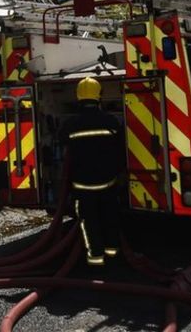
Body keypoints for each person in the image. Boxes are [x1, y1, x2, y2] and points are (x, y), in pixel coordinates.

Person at [58, 76, 126, 267]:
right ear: (99, 96)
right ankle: (113, 251)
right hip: (107, 182)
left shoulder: (71, 124)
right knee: (110, 216)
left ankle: (96, 257)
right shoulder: (111, 121)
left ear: (79, 97)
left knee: (89, 222)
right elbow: (121, 147)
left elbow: (61, 140)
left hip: (83, 184)